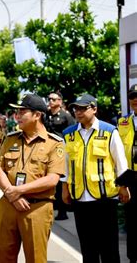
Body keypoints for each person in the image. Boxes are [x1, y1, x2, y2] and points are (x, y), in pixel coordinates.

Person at [0, 94, 65, 263]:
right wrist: (12, 195)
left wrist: (17, 191)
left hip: (37, 209)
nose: (16, 116)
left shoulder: (54, 143)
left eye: (22, 112)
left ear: (37, 115)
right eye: (16, 112)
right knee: (3, 256)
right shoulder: (11, 139)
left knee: (35, 258)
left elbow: (52, 179)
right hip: (9, 206)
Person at [62, 94, 130, 263]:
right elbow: (65, 165)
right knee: (87, 248)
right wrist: (64, 189)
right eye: (75, 108)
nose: (78, 112)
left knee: (109, 249)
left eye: (83, 108)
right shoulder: (69, 134)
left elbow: (120, 162)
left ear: (94, 109)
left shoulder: (109, 131)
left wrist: (123, 186)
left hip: (105, 198)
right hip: (79, 198)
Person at [46, 91, 75, 221]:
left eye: (53, 99)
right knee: (48, 180)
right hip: (47, 150)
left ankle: (62, 211)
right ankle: (52, 206)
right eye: (49, 99)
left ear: (60, 101)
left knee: (60, 181)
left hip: (61, 151)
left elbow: (71, 133)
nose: (50, 101)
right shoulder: (46, 115)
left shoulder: (66, 116)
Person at [117, 85, 137, 263]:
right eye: (132, 96)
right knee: (131, 220)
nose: (135, 100)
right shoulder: (123, 122)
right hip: (131, 178)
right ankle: (132, 257)